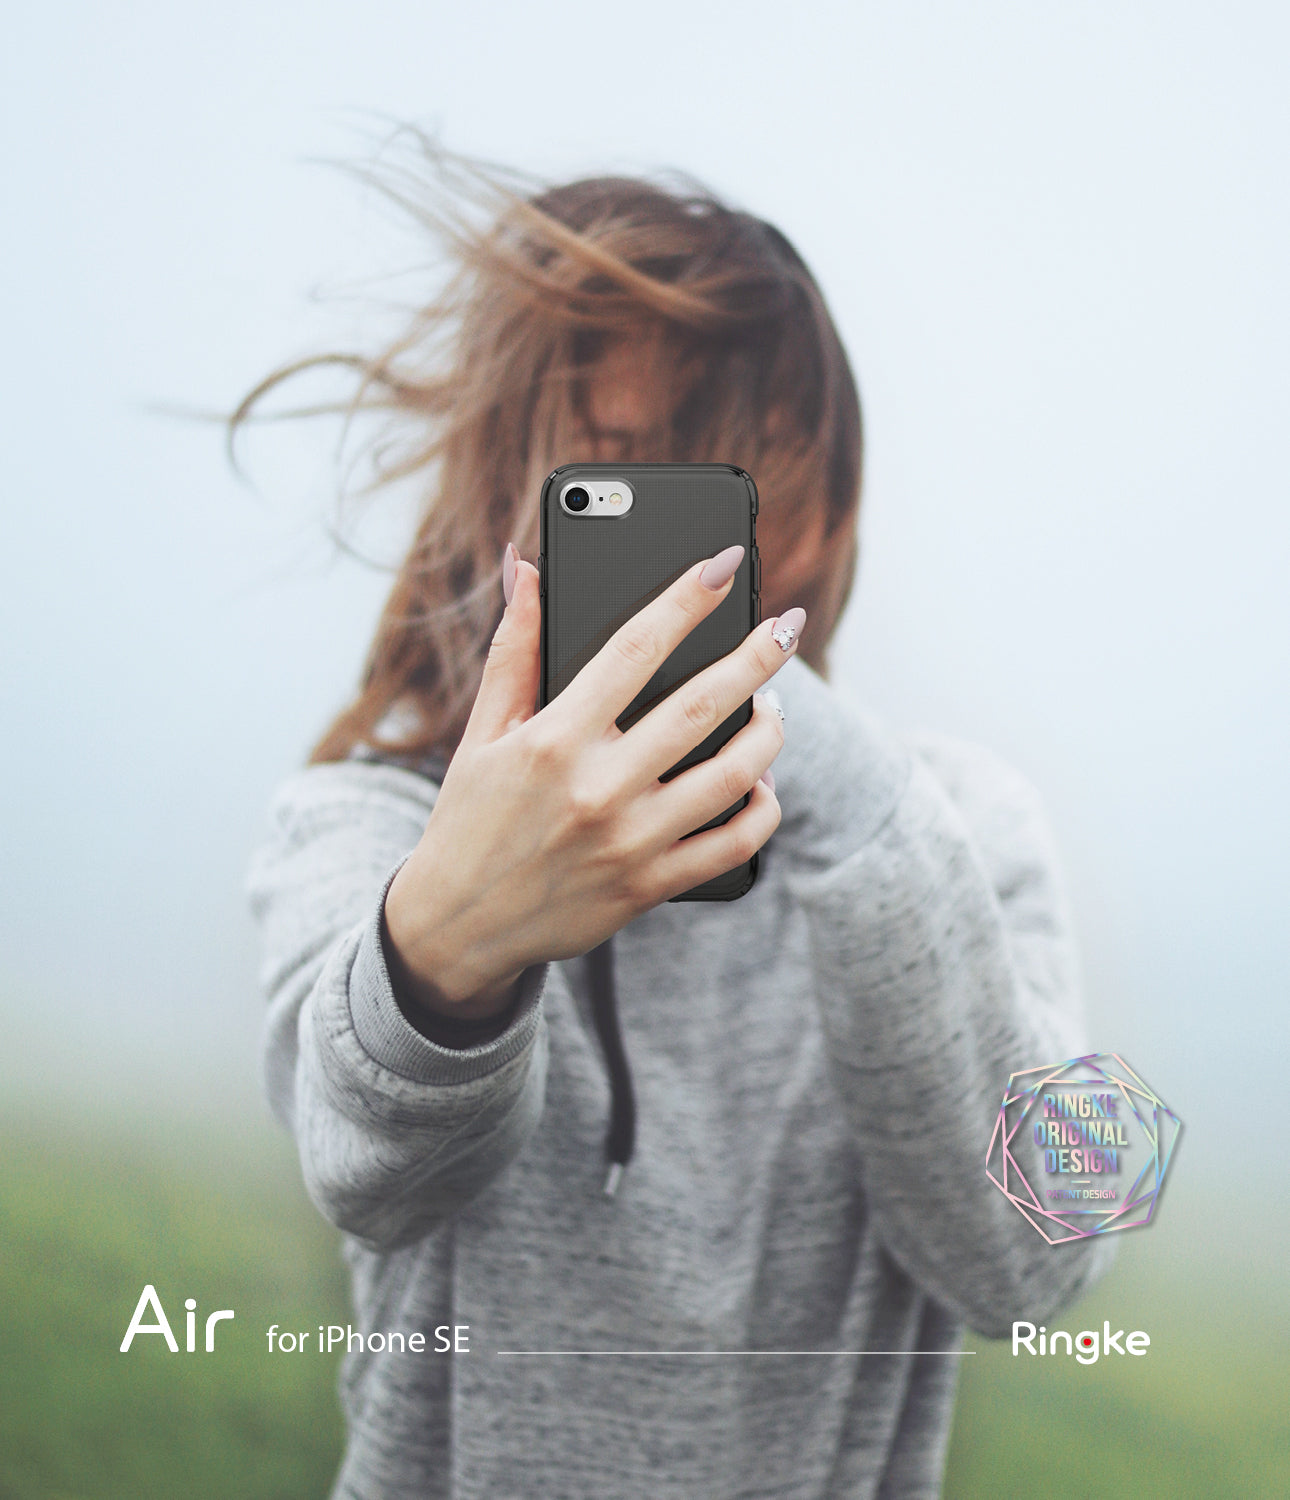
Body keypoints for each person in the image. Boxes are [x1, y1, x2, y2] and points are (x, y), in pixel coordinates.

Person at [244, 141, 1110, 1500]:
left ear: (825, 512)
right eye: (611, 477)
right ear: (502, 494)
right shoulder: (365, 823)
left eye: (728, 485)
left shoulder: (953, 825)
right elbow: (371, 1172)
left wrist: (843, 788)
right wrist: (448, 947)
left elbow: (1043, 1257)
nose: (676, 556)